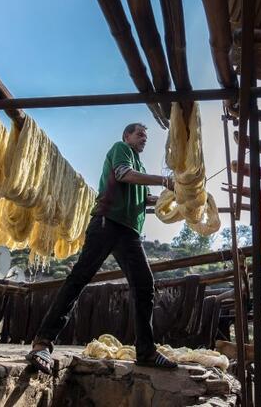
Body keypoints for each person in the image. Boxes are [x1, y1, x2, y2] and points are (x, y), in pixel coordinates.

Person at [26, 122, 178, 373]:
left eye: (145, 136)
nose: (143, 138)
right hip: (107, 223)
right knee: (79, 278)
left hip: (129, 232)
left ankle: (146, 352)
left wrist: (177, 197)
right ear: (126, 136)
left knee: (144, 285)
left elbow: (147, 199)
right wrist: (165, 180)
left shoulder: (140, 167)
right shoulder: (121, 150)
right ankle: (42, 343)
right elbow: (121, 174)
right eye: (139, 134)